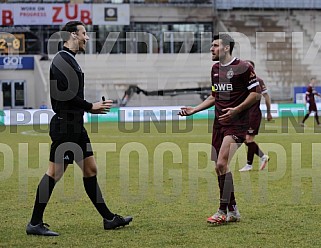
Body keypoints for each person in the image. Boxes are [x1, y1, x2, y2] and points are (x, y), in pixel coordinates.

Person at [26, 21, 132, 236]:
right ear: (73, 35)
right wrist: (90, 106)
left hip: (75, 125)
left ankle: (109, 219)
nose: (87, 38)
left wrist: (87, 108)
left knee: (90, 169)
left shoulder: (69, 60)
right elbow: (65, 95)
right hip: (65, 126)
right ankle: (34, 223)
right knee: (54, 173)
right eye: (84, 34)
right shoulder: (62, 60)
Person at [178, 34, 261, 225]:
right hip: (219, 124)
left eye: (215, 46)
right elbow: (215, 96)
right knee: (219, 167)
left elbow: (255, 95)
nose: (211, 49)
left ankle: (222, 211)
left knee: (221, 163)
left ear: (226, 48)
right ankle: (233, 210)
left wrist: (237, 110)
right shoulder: (215, 69)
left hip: (237, 123)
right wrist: (194, 109)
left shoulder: (244, 67)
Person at [238, 60, 272, 172]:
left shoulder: (258, 81)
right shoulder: (241, 81)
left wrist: (269, 112)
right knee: (244, 138)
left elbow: (266, 96)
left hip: (253, 114)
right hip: (243, 114)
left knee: (248, 138)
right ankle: (263, 157)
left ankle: (250, 164)